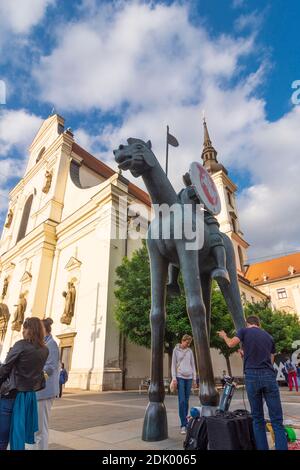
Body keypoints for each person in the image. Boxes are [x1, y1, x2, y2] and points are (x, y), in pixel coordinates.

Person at [218, 315, 288, 450]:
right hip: (268, 376)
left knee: (257, 419)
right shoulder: (268, 336)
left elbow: (231, 344)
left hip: (252, 376)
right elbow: (271, 359)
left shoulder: (244, 331)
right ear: (259, 324)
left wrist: (224, 336)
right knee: (277, 420)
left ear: (247, 323)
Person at [0, 317, 48, 450]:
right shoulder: (45, 350)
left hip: (11, 394)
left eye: (24, 329)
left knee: (2, 437)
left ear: (29, 330)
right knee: (16, 432)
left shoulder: (21, 345)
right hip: (28, 397)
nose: (22, 332)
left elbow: (5, 368)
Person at [33, 318, 59, 450]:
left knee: (41, 428)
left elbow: (50, 367)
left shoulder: (52, 344)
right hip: (39, 391)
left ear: (44, 330)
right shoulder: (44, 344)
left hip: (44, 391)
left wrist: (34, 379)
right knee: (37, 428)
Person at [171, 334, 197, 434]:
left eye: (189, 343)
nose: (188, 344)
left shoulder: (190, 351)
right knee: (181, 401)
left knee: (186, 401)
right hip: (180, 377)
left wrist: (194, 379)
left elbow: (193, 365)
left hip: (189, 378)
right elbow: (173, 365)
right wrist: (174, 378)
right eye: (187, 342)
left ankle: (186, 423)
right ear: (183, 340)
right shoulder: (175, 350)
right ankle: (183, 425)